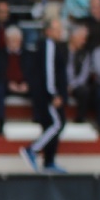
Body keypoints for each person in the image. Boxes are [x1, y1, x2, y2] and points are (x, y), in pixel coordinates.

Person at [19, 19, 69, 174]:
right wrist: (53, 94)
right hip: (48, 95)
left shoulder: (52, 46)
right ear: (48, 31)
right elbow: (49, 72)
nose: (60, 31)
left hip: (49, 93)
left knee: (51, 125)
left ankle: (49, 161)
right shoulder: (48, 45)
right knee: (57, 124)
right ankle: (32, 150)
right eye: (57, 28)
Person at [66, 24, 94, 123]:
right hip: (61, 83)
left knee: (85, 91)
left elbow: (84, 75)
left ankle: (81, 119)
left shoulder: (85, 53)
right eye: (82, 38)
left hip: (77, 85)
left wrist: (72, 86)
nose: (84, 41)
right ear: (73, 37)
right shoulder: (61, 50)